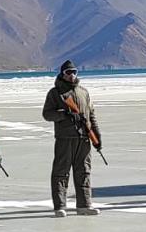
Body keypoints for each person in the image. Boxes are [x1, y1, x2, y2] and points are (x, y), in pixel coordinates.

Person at [41, 60, 102, 217]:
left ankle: (84, 204)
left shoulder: (83, 92)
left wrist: (97, 135)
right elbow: (47, 114)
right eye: (68, 72)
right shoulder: (55, 93)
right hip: (65, 138)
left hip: (84, 138)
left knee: (84, 172)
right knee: (61, 172)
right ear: (62, 74)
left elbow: (91, 115)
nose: (72, 75)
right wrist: (64, 114)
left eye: (74, 72)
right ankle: (60, 206)